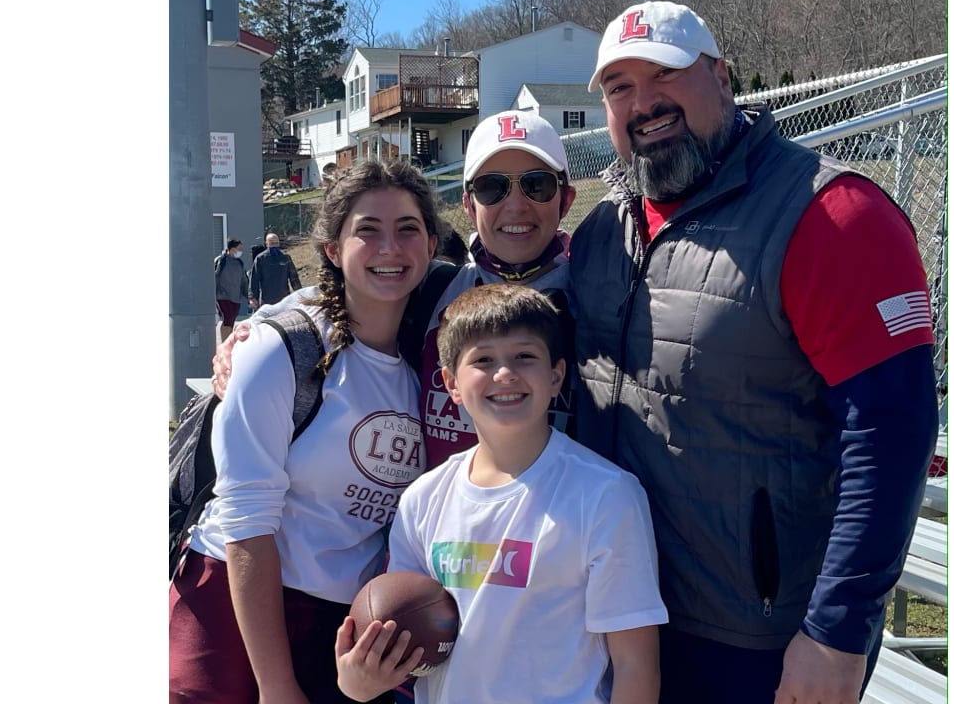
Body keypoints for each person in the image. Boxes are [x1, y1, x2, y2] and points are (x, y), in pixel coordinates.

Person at [571, 0, 940, 704]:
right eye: (619, 87)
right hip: (616, 614)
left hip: (756, 636)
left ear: (722, 77)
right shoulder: (600, 234)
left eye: (666, 74)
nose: (644, 103)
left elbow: (891, 432)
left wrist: (838, 631)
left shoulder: (832, 215)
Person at [169, 159, 440, 703]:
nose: (390, 247)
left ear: (432, 246)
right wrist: (275, 684)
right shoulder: (282, 350)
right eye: (367, 230)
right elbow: (246, 521)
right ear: (333, 250)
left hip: (340, 626)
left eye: (407, 229)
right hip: (232, 609)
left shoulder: (429, 365)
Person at [335, 284, 668, 704]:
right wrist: (358, 681)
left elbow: (636, 666)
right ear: (452, 384)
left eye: (524, 357)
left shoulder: (606, 496)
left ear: (556, 376)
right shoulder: (423, 498)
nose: (505, 374)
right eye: (484, 360)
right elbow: (398, 631)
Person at [215, 110, 580, 475]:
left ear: (565, 200)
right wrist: (251, 332)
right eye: (491, 187)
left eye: (537, 185)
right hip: (441, 522)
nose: (515, 205)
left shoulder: (594, 299)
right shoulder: (437, 287)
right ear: (469, 205)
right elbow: (344, 290)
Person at [248, 232, 302, 309]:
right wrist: (252, 298)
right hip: (266, 301)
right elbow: (254, 279)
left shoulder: (285, 258)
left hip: (284, 300)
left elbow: (294, 278)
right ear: (266, 243)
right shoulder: (260, 259)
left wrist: (300, 294)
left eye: (276, 243)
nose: (274, 245)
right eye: (271, 243)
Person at [214, 238, 248, 342]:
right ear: (232, 249)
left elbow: (243, 280)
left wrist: (247, 295)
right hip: (223, 297)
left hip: (235, 298)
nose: (240, 251)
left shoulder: (239, 263)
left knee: (231, 322)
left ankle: (229, 343)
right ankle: (224, 344)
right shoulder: (221, 261)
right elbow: (215, 277)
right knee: (226, 321)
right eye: (239, 249)